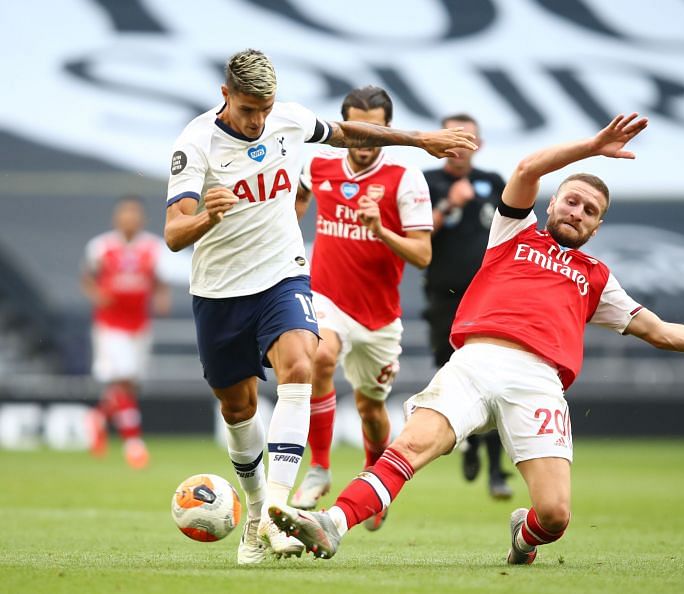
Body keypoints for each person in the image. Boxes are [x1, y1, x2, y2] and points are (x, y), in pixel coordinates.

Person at [266, 113, 684, 563]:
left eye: (589, 211)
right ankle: (332, 524)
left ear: (597, 227)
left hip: (539, 383)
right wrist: (591, 148)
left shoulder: (597, 278)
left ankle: (525, 536)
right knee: (411, 447)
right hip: (476, 361)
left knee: (555, 515)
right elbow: (526, 169)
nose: (576, 212)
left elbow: (661, 332)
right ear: (553, 202)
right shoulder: (515, 231)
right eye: (571, 201)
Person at [163, 49, 476, 565]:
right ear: (225, 96)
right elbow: (175, 234)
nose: (259, 120)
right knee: (238, 409)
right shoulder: (195, 142)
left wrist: (421, 140)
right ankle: (259, 511)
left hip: (282, 276)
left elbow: (352, 134)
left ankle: (278, 511)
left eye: (265, 108)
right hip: (219, 291)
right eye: (247, 109)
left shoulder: (288, 120)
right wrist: (205, 219)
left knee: (304, 363)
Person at [289, 86, 433, 531]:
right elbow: (294, 205)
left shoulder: (406, 179)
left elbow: (423, 255)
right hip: (325, 296)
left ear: (389, 129)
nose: (365, 141)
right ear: (343, 125)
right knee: (321, 356)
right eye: (356, 130)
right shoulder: (318, 162)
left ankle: (374, 477)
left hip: (379, 318)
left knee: (372, 410)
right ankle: (319, 468)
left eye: (375, 131)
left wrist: (380, 229)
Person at [423, 113, 512, 499]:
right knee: (452, 371)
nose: (459, 146)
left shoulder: (493, 183)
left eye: (468, 139)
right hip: (443, 296)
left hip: (489, 296)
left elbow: (513, 228)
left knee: (493, 374)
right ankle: (471, 444)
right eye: (452, 138)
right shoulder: (426, 182)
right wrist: (446, 204)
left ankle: (496, 469)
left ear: (480, 144)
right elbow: (415, 235)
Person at [81, 196, 170, 470]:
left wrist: (161, 297)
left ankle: (97, 416)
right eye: (125, 214)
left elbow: (158, 280)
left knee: (130, 383)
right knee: (121, 379)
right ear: (116, 218)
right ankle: (134, 444)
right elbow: (87, 277)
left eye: (134, 214)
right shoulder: (101, 247)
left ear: (142, 219)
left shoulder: (152, 247)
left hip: (139, 324)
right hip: (110, 324)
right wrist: (97, 295)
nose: (130, 218)